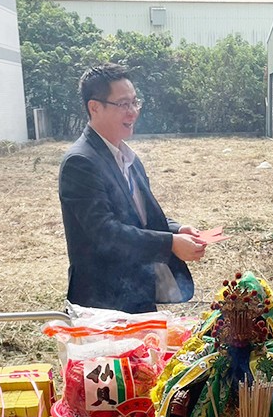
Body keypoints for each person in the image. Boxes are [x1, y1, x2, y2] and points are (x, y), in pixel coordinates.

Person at [59, 63, 205, 313]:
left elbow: (140, 216)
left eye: (135, 102)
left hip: (138, 291)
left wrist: (177, 228)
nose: (133, 112)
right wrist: (169, 243)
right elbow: (105, 232)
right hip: (102, 302)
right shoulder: (81, 163)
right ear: (94, 107)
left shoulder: (128, 157)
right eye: (124, 104)